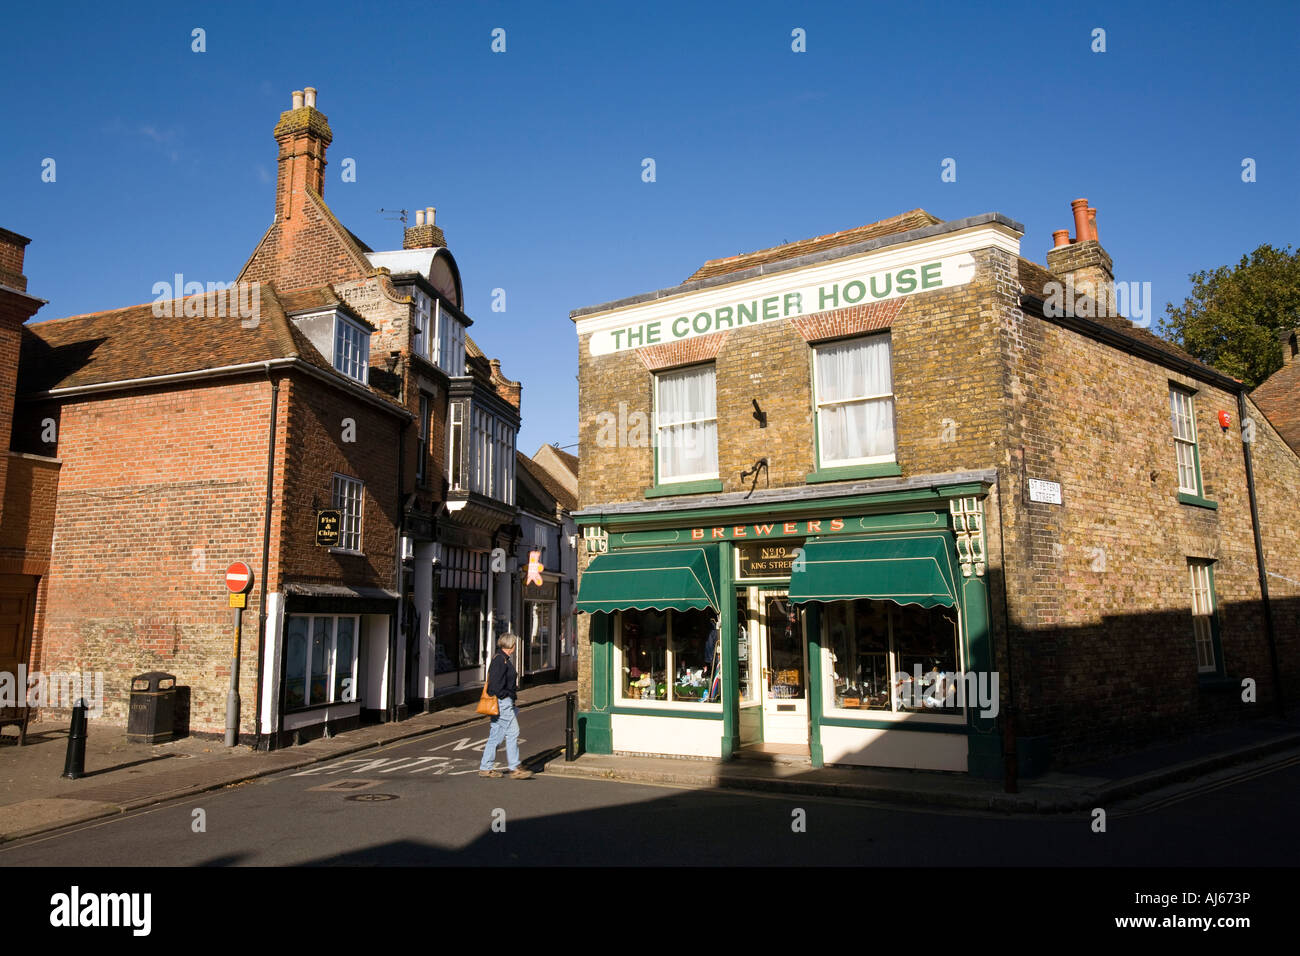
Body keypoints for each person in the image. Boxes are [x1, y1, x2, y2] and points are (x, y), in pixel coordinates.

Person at [478, 632, 533, 779]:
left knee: (496, 736)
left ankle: (485, 767)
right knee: (513, 732)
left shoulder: (503, 659)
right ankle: (515, 768)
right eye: (514, 644)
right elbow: (494, 687)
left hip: (503, 702)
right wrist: (506, 696)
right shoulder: (500, 661)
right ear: (511, 645)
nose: (515, 646)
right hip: (502, 703)